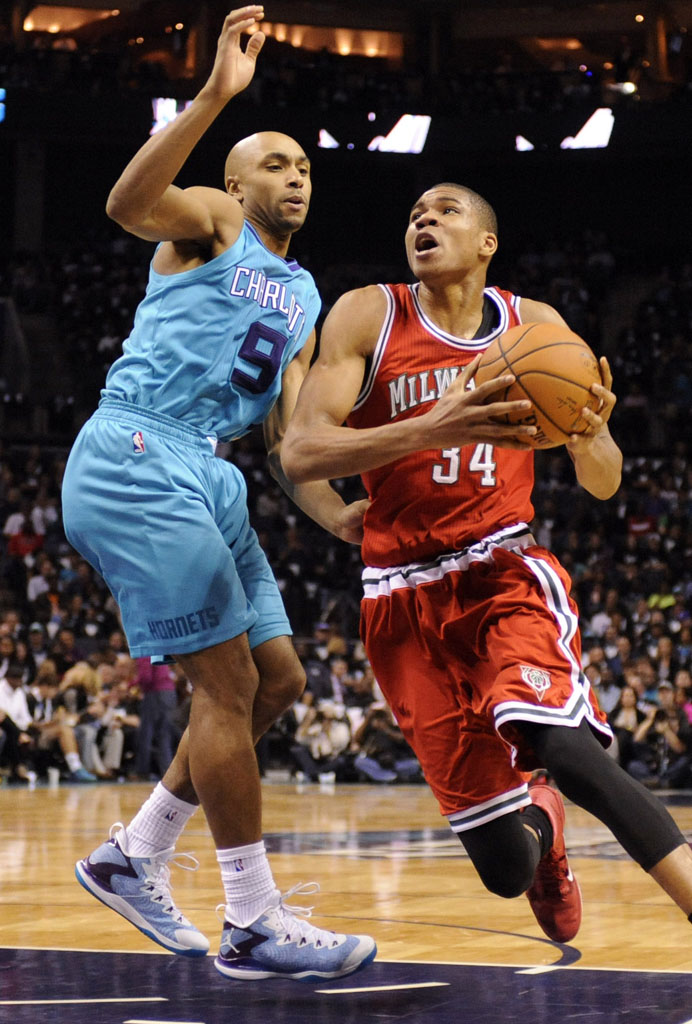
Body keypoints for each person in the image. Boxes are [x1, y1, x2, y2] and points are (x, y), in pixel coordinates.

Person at [281, 180, 692, 942]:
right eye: (413, 214)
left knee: (566, 748)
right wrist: (429, 426)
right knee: (506, 869)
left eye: (445, 211)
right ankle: (543, 827)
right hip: (398, 600)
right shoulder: (370, 313)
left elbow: (605, 482)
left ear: (487, 244)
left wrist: (588, 434)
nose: (424, 219)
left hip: (500, 570)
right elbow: (301, 450)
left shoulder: (533, 327)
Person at [61, 6, 374, 982]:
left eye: (305, 168)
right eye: (275, 163)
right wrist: (213, 98)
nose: (295, 177)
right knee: (226, 688)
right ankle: (251, 918)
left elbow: (290, 441)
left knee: (274, 682)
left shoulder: (307, 294)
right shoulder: (213, 223)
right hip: (138, 451)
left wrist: (346, 522)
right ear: (235, 182)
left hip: (213, 474)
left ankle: (134, 853)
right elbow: (125, 204)